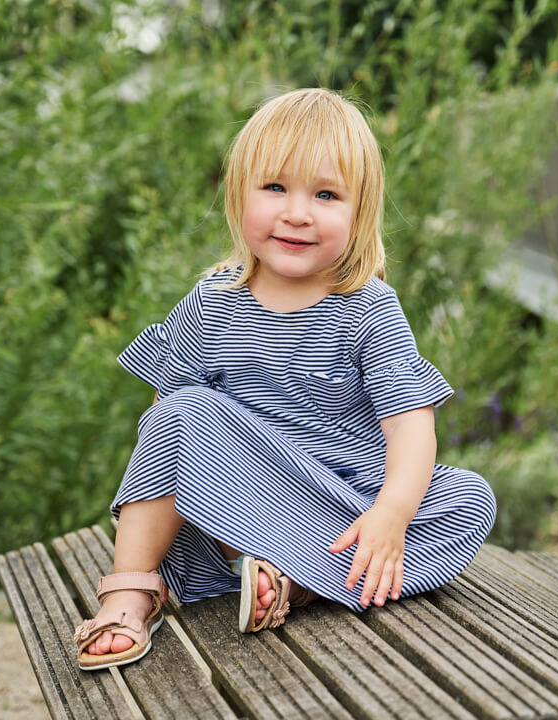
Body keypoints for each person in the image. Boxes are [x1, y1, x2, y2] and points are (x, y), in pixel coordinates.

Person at [73, 88, 496, 671]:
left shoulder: (367, 307)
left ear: (359, 212)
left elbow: (412, 426)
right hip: (229, 512)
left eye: (325, 194)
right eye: (275, 188)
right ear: (238, 194)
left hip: (341, 512)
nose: (297, 212)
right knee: (182, 411)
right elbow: (165, 434)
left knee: (467, 498)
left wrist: (393, 512)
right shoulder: (214, 303)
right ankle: (133, 587)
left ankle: (296, 580)